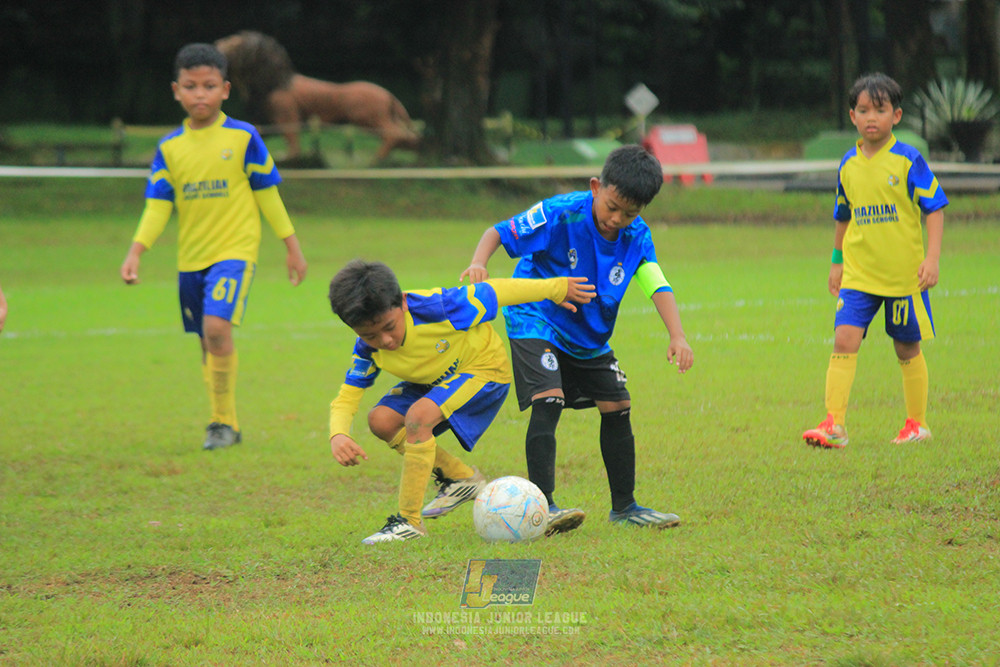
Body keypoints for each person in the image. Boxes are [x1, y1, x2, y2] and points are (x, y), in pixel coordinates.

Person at [461, 144, 694, 536]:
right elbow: (498, 232)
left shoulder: (636, 234)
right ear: (594, 187)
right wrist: (479, 262)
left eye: (630, 213)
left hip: (587, 333)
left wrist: (678, 335)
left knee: (618, 404)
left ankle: (625, 507)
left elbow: (654, 280)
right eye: (612, 206)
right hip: (535, 317)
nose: (617, 219)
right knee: (548, 399)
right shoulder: (560, 212)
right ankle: (545, 506)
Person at [120, 43, 308, 451]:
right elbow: (157, 207)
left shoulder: (243, 137)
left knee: (217, 328)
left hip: (235, 252)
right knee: (208, 341)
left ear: (225, 89)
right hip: (191, 259)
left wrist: (291, 247)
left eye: (208, 85)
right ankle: (224, 422)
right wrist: (137, 251)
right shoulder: (169, 147)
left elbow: (268, 195)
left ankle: (222, 423)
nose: (199, 94)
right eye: (190, 86)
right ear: (176, 91)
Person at [327, 259, 595, 545]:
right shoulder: (368, 350)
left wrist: (557, 288)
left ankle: (409, 522)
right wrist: (338, 433)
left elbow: (496, 291)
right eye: (370, 335)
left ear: (403, 303)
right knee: (381, 420)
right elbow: (348, 395)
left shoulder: (440, 307)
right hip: (433, 383)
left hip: (485, 370)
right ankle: (461, 479)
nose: (386, 340)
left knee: (418, 417)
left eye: (389, 327)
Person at [802, 72, 947, 449]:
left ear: (896, 116)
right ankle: (834, 424)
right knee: (844, 338)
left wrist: (932, 259)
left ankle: (917, 423)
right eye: (863, 110)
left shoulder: (907, 159)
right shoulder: (848, 164)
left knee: (906, 347)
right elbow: (843, 215)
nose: (871, 118)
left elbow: (935, 209)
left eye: (879, 110)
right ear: (852, 116)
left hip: (903, 276)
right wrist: (836, 262)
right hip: (858, 274)